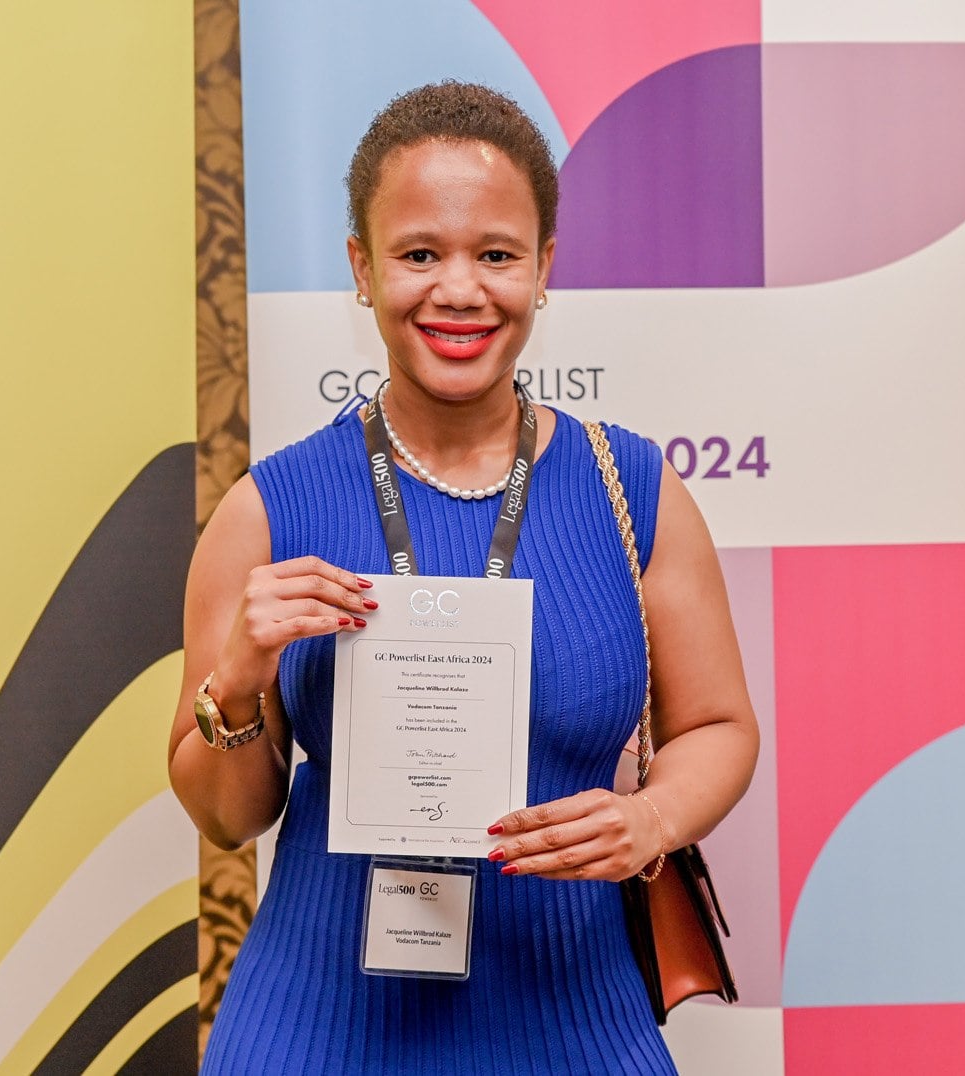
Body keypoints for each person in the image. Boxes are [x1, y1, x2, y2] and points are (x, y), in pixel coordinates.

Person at [170, 81, 759, 1074]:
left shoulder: (635, 490)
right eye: (417, 255)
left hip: (575, 1025)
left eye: (495, 254)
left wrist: (649, 818)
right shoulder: (268, 510)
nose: (458, 289)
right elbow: (229, 817)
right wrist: (238, 677)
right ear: (362, 269)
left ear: (544, 268)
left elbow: (718, 726)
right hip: (317, 1030)